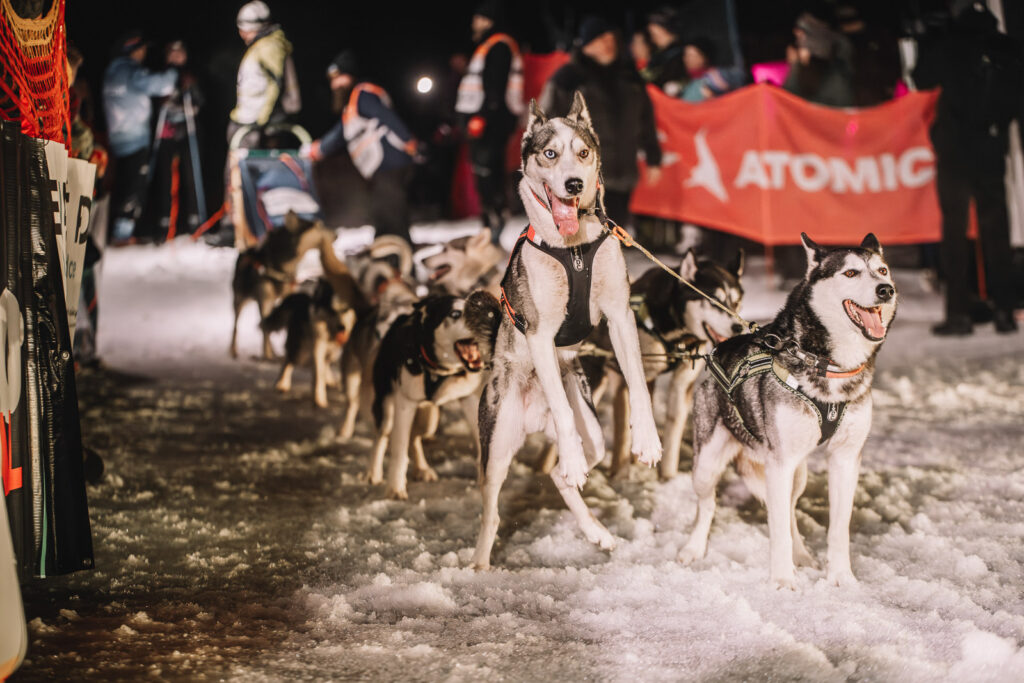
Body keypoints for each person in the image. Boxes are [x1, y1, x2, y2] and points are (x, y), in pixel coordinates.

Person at [914, 2, 1023, 335]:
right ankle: (1004, 310)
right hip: (991, 145)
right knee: (996, 229)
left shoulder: (949, 42)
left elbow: (921, 78)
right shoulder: (1002, 45)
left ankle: (958, 312)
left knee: (954, 230)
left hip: (955, 149)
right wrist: (997, 125)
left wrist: (929, 39)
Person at [539, 16, 663, 229]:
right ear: (586, 45)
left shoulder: (630, 77)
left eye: (610, 40)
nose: (607, 46)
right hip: (581, 179)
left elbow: (645, 120)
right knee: (583, 237)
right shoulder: (567, 79)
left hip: (622, 174)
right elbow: (545, 126)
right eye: (600, 40)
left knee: (613, 234)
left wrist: (653, 157)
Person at [310, 51, 418, 242]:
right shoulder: (351, 105)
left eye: (340, 77)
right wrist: (319, 149)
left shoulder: (363, 94)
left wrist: (408, 140)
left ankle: (399, 251)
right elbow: (341, 133)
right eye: (332, 80)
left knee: (392, 214)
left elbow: (386, 116)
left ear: (351, 76)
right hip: (379, 167)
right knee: (381, 211)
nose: (335, 84)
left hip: (390, 162)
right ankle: (385, 248)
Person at [455, 0, 525, 244]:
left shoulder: (498, 45)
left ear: (488, 20)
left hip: (491, 122)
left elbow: (494, 86)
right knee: (485, 171)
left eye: (478, 18)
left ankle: (494, 222)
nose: (474, 23)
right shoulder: (490, 44)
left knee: (487, 171)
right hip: (490, 120)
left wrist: (481, 117)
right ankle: (491, 222)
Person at [102, 30, 182, 243]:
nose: (144, 53)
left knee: (122, 183)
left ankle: (116, 231)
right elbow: (162, 85)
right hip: (134, 139)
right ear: (133, 50)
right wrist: (174, 67)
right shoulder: (131, 71)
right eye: (143, 49)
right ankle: (122, 235)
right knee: (134, 187)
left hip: (117, 138)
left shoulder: (113, 70)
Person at [142, 41, 204, 241]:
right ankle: (163, 222)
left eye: (180, 53)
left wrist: (190, 95)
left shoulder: (190, 75)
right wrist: (162, 101)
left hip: (186, 132)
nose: (176, 57)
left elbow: (199, 102)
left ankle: (194, 220)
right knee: (164, 179)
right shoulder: (161, 74)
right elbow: (152, 100)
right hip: (166, 132)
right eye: (172, 53)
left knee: (190, 176)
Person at [227, 0, 299, 148]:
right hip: (248, 118)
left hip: (256, 123)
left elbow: (275, 84)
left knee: (249, 159)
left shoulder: (269, 47)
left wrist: (262, 119)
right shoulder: (260, 45)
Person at [782, 12, 855, 108]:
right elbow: (786, 100)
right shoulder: (798, 71)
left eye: (802, 37)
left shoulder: (835, 79)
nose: (799, 47)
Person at [641, 7, 688, 96]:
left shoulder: (682, 55)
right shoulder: (659, 55)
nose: (653, 39)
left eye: (655, 35)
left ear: (665, 30)